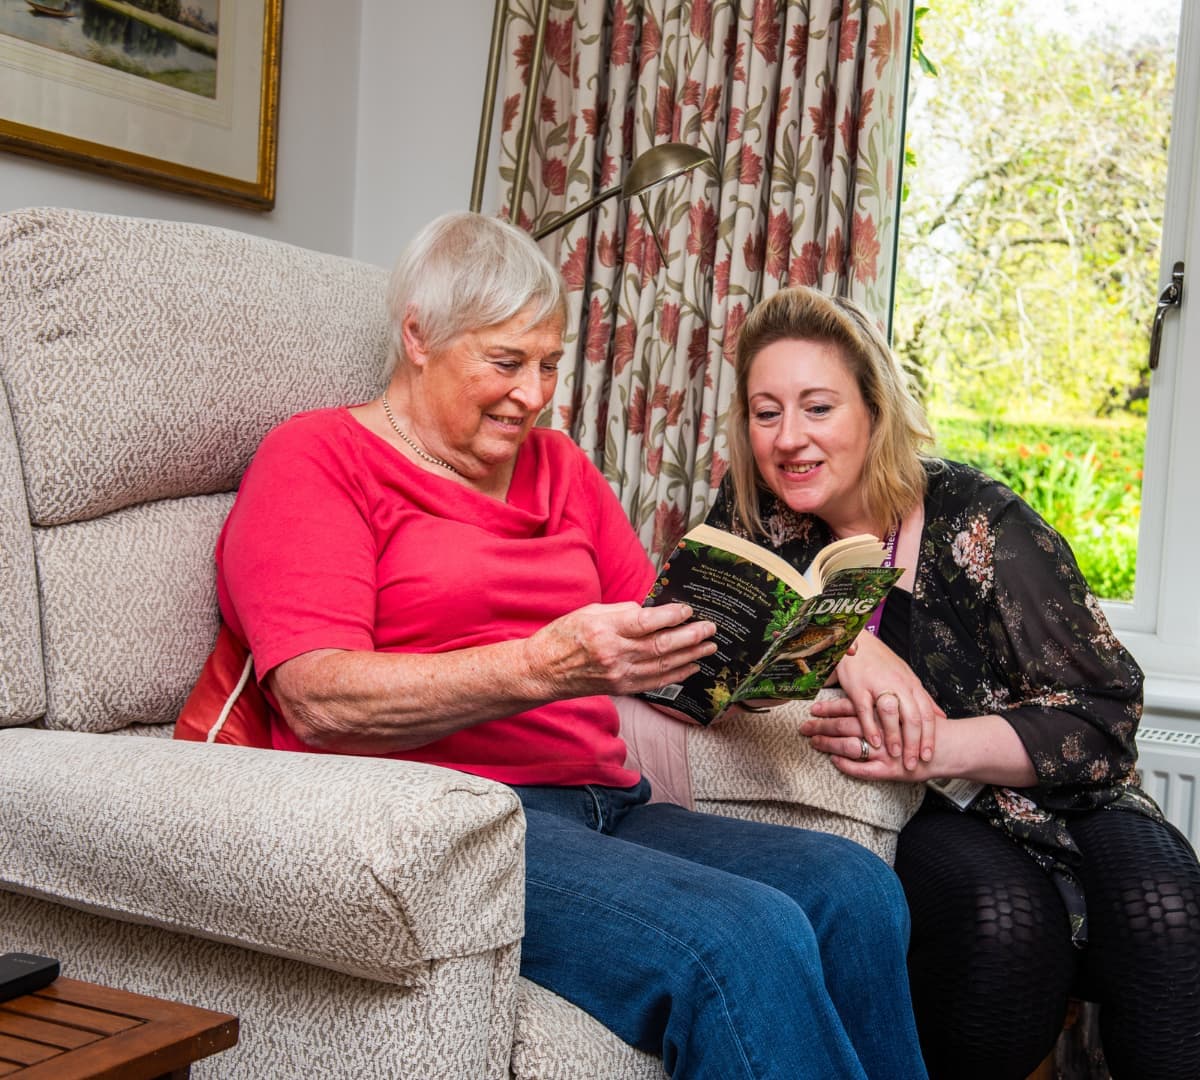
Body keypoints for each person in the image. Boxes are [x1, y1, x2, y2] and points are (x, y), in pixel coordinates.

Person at [212, 212, 928, 1080]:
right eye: (506, 362)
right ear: (418, 339)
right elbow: (317, 698)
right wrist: (545, 665)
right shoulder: (320, 457)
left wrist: (823, 642)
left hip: (605, 802)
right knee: (742, 938)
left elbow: (663, 631)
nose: (535, 393)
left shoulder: (560, 467)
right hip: (455, 825)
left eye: (550, 364)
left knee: (856, 891)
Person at [706, 283, 1200, 1080]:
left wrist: (929, 745)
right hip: (915, 812)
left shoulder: (981, 523)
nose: (789, 439)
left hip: (1054, 786)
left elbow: (1103, 718)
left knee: (1166, 910)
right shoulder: (755, 521)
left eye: (818, 408)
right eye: (766, 413)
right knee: (1005, 929)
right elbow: (691, 633)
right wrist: (849, 649)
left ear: (874, 410)